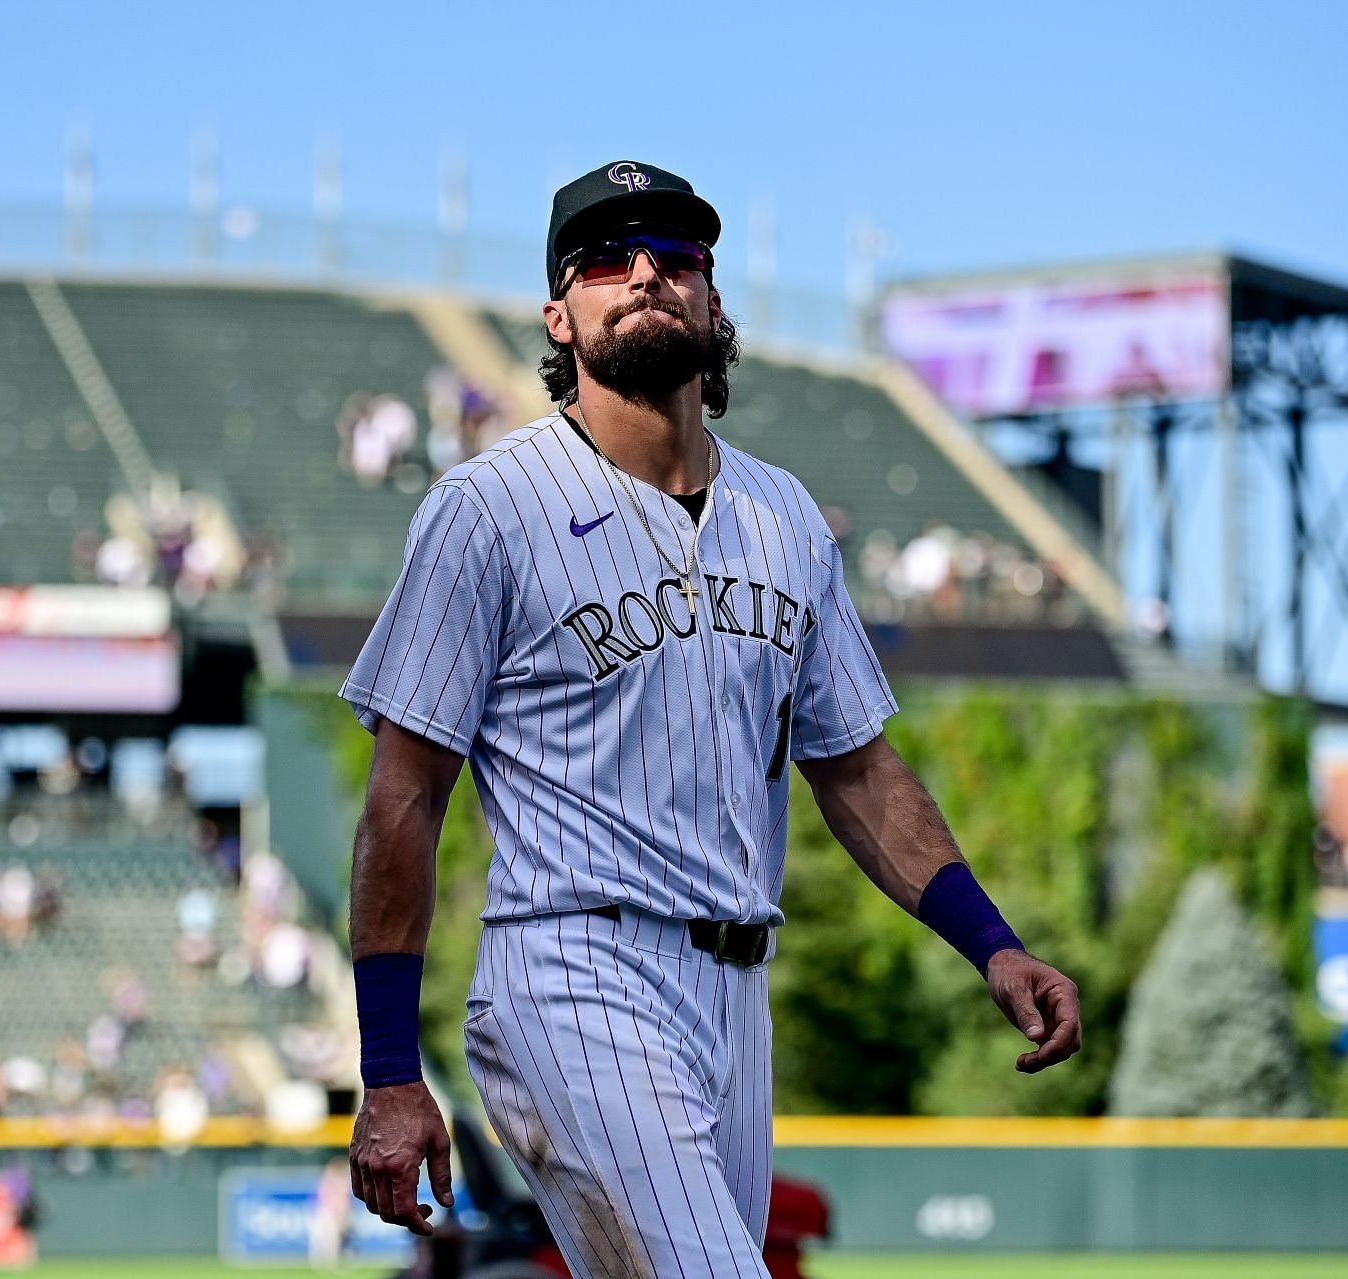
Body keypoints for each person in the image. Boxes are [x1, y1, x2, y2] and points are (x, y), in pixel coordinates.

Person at [340, 160, 1083, 1277]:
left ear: (712, 298)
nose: (644, 271)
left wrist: (993, 942)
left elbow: (862, 772)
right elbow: (404, 797)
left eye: (675, 253)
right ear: (560, 313)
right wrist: (391, 1066)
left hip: (738, 992)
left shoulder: (783, 516)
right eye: (605, 256)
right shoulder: (486, 511)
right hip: (572, 967)